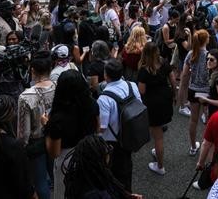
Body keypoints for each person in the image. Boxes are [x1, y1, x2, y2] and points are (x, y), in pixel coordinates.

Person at [45, 70, 100, 198]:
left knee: (65, 192)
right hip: (90, 152)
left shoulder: (57, 119)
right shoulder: (92, 104)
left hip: (67, 159)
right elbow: (97, 129)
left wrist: (47, 127)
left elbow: (54, 152)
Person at [97, 59, 142, 191]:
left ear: (106, 75)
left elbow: (102, 127)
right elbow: (139, 104)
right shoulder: (132, 85)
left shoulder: (104, 98)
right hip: (130, 134)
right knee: (126, 169)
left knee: (113, 174)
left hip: (112, 141)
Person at [18, 50, 56, 199]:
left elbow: (23, 133)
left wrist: (21, 148)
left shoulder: (26, 96)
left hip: (36, 142)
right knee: (56, 175)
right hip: (55, 136)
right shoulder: (58, 86)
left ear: (32, 70)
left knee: (40, 181)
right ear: (50, 69)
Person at [137, 42, 176, 175]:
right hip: (165, 98)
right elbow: (172, 79)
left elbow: (141, 91)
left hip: (152, 103)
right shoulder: (164, 62)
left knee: (158, 137)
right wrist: (174, 95)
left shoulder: (144, 69)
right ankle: (157, 153)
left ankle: (160, 166)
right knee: (159, 131)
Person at [63, 134, 143, 199]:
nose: (109, 152)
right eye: (107, 151)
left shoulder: (80, 176)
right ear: (99, 160)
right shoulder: (95, 194)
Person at [180, 29, 210, 157]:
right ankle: (208, 145)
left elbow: (185, 74)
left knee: (193, 120)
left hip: (193, 90)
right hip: (206, 91)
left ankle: (193, 147)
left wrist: (182, 88)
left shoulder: (191, 54)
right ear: (206, 40)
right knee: (208, 121)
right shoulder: (210, 55)